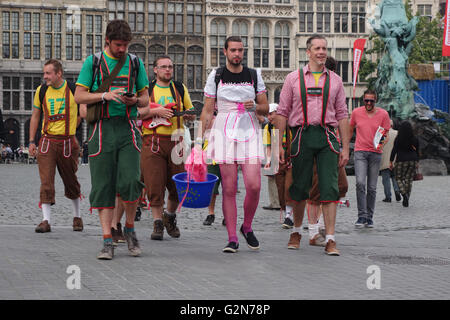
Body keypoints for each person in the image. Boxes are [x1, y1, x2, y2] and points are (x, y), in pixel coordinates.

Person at [74, 19, 150, 260]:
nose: (122, 49)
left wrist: (134, 101)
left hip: (127, 129)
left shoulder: (135, 63)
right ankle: (107, 239)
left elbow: (146, 99)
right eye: (118, 45)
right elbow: (78, 96)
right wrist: (104, 95)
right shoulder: (93, 62)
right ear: (107, 40)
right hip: (102, 130)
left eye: (125, 45)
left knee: (130, 181)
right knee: (104, 185)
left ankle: (129, 228)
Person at [274, 35, 350, 256]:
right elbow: (282, 113)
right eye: (317, 48)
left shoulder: (335, 80)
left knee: (330, 188)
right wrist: (279, 144)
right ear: (307, 52)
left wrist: (346, 148)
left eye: (324, 48)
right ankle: (296, 231)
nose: (321, 52)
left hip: (327, 136)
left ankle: (331, 239)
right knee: (299, 186)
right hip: (301, 136)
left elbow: (343, 116)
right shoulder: (293, 79)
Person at [197, 36, 269, 253]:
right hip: (223, 131)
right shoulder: (216, 75)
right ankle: (231, 238)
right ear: (225, 51)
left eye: (240, 50)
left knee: (254, 185)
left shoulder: (254, 75)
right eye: (233, 50)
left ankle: (246, 226)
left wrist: (255, 105)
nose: (237, 54)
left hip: (249, 129)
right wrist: (200, 142)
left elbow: (265, 108)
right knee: (228, 188)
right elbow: (208, 110)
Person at [140, 55, 194, 241]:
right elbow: (136, 112)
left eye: (170, 66)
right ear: (155, 70)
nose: (168, 70)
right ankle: (157, 222)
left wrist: (189, 116)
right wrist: (156, 111)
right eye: (163, 67)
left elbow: (190, 110)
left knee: (177, 185)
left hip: (176, 141)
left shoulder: (179, 88)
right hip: (153, 141)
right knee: (154, 185)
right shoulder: (147, 89)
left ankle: (169, 216)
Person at [28, 59, 83, 234]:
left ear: (58, 73)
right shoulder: (42, 90)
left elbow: (83, 112)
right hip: (47, 142)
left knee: (71, 180)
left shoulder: (74, 89)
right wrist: (31, 141)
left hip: (68, 142)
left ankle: (77, 216)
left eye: (48, 73)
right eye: (44, 73)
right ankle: (46, 220)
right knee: (46, 182)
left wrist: (74, 125)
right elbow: (36, 115)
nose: (45, 77)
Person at [350, 89, 391, 228]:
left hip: (375, 153)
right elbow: (350, 130)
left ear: (375, 101)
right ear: (363, 101)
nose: (368, 103)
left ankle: (369, 217)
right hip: (360, 152)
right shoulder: (356, 112)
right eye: (366, 100)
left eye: (371, 101)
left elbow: (386, 133)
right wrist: (343, 147)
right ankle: (361, 216)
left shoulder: (383, 114)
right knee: (360, 183)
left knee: (372, 188)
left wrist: (381, 144)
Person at [263, 103, 294, 227]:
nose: (269, 117)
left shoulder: (290, 124)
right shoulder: (268, 128)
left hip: (290, 158)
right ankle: (287, 212)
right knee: (280, 188)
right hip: (277, 160)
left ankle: (289, 217)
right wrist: (269, 161)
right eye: (268, 115)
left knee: (288, 187)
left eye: (271, 114)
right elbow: (269, 146)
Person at [390, 120, 419, 207]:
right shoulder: (414, 138)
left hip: (401, 160)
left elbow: (394, 150)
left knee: (398, 178)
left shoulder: (398, 138)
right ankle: (407, 197)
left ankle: (403, 194)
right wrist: (417, 161)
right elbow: (417, 151)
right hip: (412, 160)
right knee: (409, 180)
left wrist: (391, 161)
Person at [379, 120, 401, 202]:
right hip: (395, 159)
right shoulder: (397, 133)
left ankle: (388, 197)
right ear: (392, 125)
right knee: (395, 177)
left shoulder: (382, 134)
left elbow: (378, 146)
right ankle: (397, 190)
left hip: (384, 159)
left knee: (386, 180)